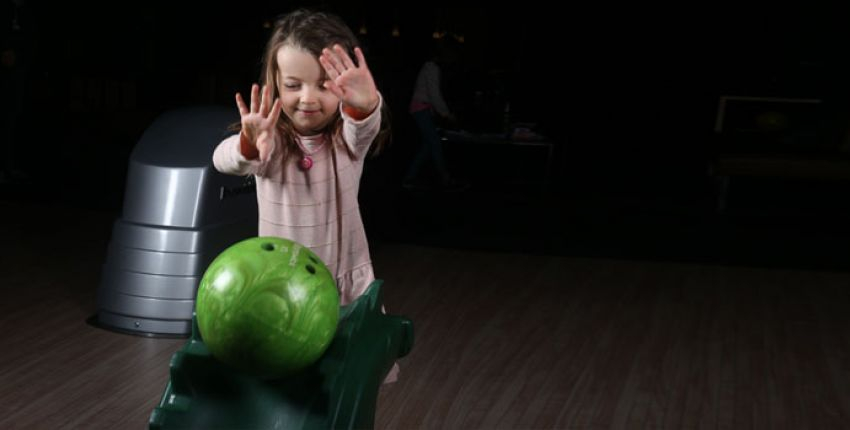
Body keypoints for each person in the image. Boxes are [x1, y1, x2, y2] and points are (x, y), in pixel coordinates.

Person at [212, 9, 398, 382]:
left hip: (343, 285)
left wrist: (365, 104)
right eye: (294, 85)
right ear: (275, 84)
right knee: (289, 380)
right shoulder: (270, 141)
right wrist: (248, 145)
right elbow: (224, 159)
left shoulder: (347, 138)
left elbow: (364, 127)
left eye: (323, 83)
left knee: (346, 384)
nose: (308, 98)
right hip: (281, 289)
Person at [402, 39, 468, 191]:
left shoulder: (431, 67)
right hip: (421, 109)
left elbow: (432, 95)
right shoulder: (431, 68)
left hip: (422, 109)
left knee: (429, 145)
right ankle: (444, 179)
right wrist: (446, 114)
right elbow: (434, 95)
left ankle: (410, 178)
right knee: (435, 143)